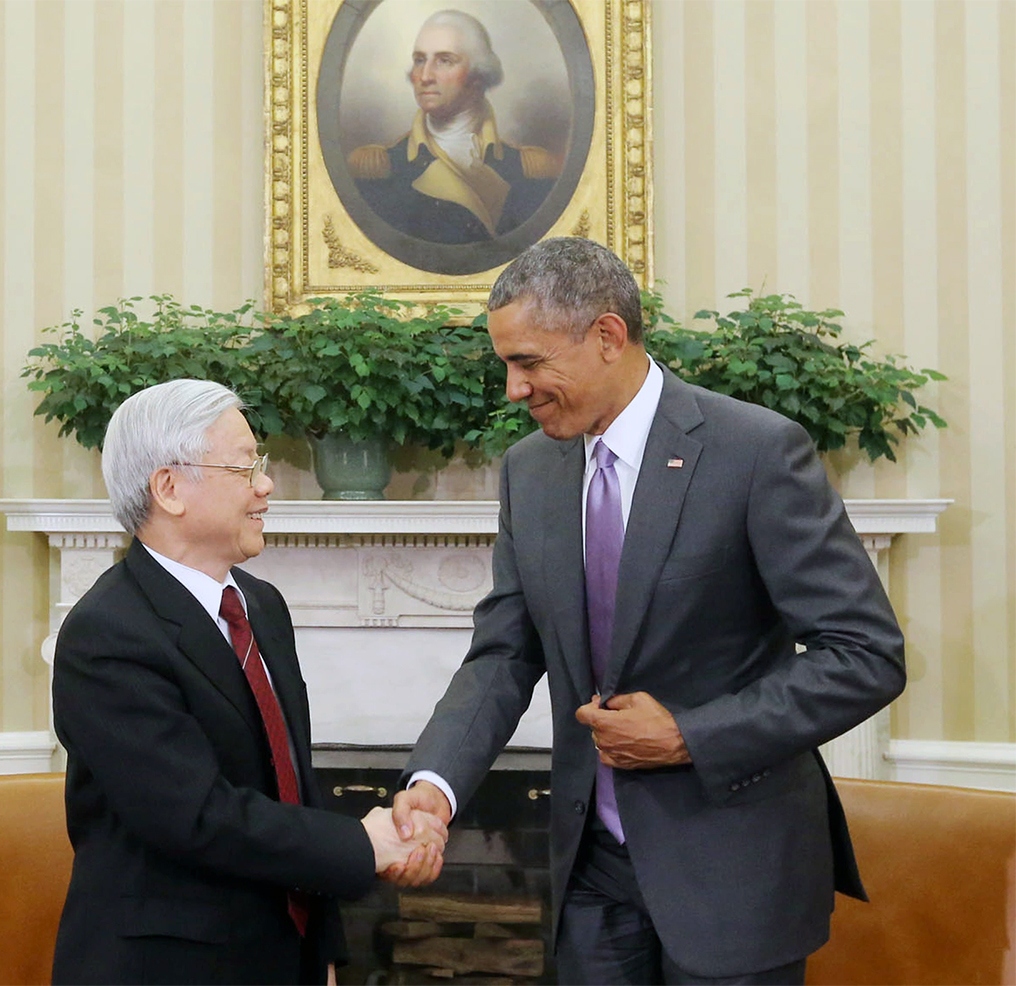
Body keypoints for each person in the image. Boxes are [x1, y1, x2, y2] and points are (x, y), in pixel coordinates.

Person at [389, 238, 906, 984]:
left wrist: (691, 735)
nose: (513, 389)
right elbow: (505, 653)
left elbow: (864, 655)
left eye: (528, 363)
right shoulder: (529, 471)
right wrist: (434, 787)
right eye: (505, 364)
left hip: (731, 871)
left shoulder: (754, 452)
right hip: (591, 873)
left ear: (607, 335)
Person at [51, 379, 446, 985]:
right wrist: (361, 846)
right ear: (169, 488)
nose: (266, 486)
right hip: (168, 968)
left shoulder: (261, 606)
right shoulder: (107, 633)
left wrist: (324, 955)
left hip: (282, 958)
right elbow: (197, 817)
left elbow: (294, 789)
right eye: (245, 468)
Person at [347, 9, 559, 244]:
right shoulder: (378, 170)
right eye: (420, 60)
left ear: (478, 74)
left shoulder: (529, 170)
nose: (425, 76)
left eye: (444, 60)